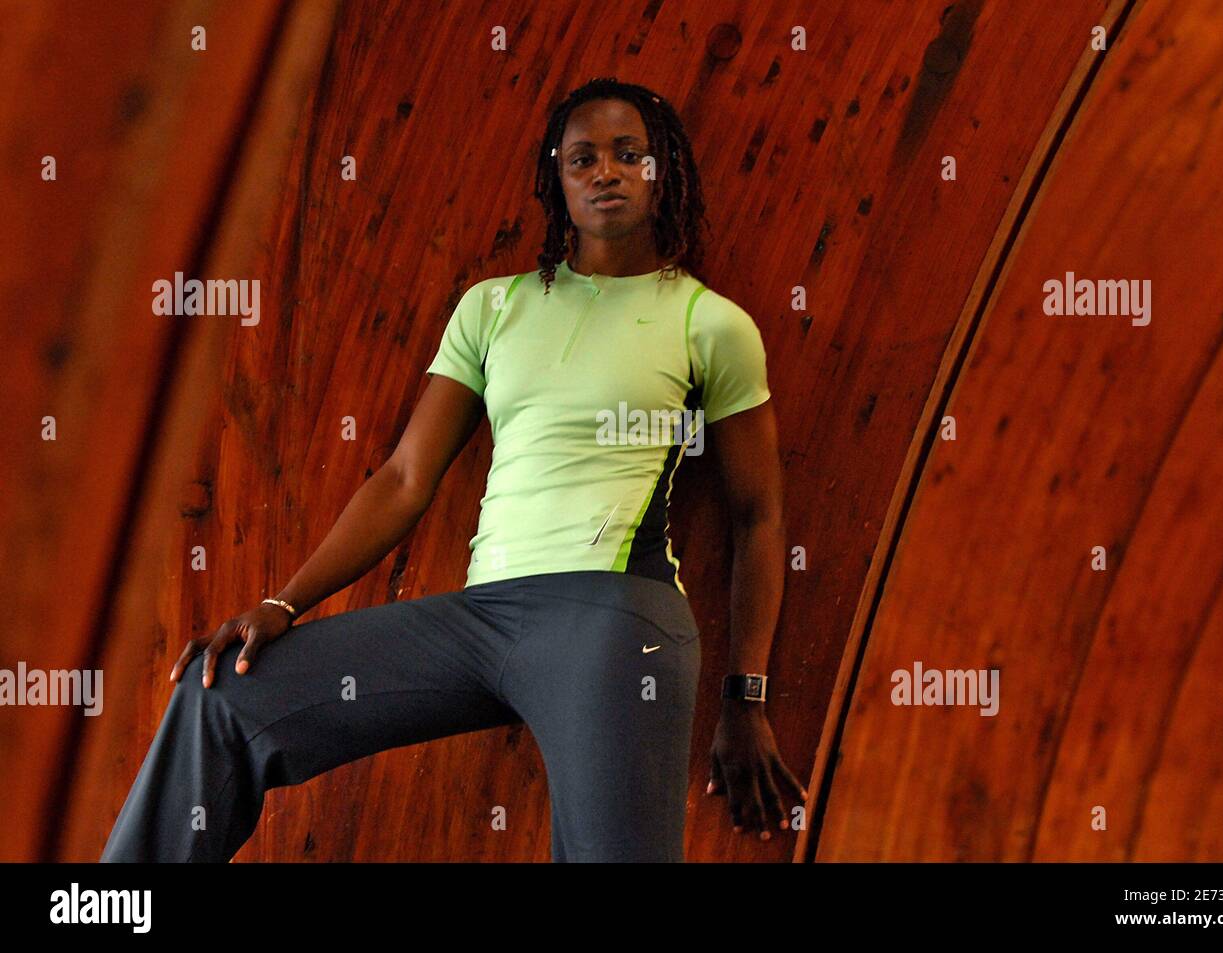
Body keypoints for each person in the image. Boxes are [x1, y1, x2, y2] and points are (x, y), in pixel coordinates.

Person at [100, 77, 805, 863]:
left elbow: (758, 516)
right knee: (221, 693)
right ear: (556, 181)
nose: (606, 171)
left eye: (628, 154)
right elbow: (405, 477)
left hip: (613, 621)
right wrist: (282, 600)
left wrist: (747, 699)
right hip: (481, 622)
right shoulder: (493, 307)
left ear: (660, 170)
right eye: (583, 158)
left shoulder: (708, 321)